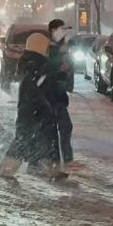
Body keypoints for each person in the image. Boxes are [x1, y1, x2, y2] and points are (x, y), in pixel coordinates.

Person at [0, 32, 65, 181]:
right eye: (46, 48)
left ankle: (49, 169)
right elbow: (37, 91)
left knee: (45, 140)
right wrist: (46, 107)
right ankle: (6, 169)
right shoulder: (37, 66)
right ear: (41, 48)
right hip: (35, 112)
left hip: (33, 112)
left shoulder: (34, 64)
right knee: (27, 140)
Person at [44, 18, 77, 172]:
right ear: (53, 31)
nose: (64, 32)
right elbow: (45, 70)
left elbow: (68, 67)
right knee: (57, 128)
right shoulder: (48, 47)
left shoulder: (62, 46)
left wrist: (67, 70)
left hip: (58, 94)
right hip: (49, 94)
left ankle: (63, 159)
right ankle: (57, 159)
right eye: (61, 29)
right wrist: (60, 69)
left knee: (63, 127)